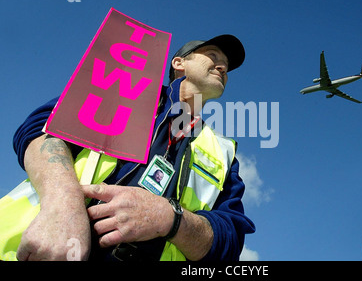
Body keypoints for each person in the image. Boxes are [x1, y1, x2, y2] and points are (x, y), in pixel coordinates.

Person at [12, 34, 255, 261]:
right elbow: (42, 129)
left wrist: (169, 219)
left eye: (226, 67)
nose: (222, 68)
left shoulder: (224, 151)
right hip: (42, 249)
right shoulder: (123, 87)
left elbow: (230, 236)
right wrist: (63, 205)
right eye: (213, 56)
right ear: (179, 63)